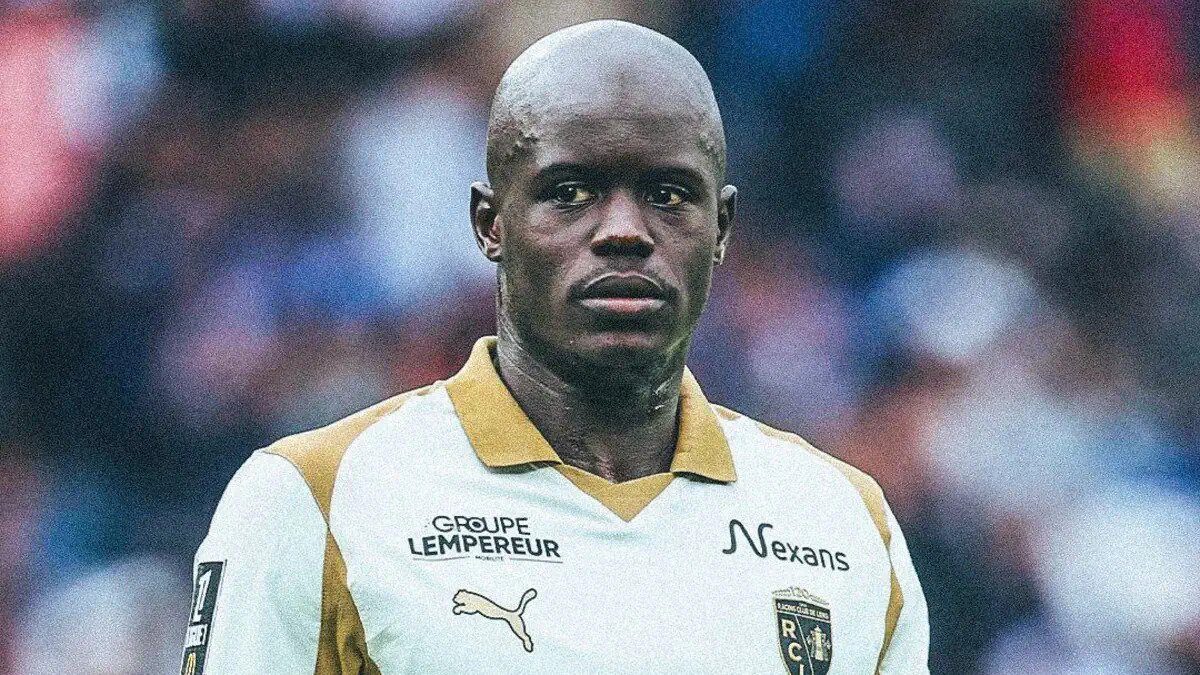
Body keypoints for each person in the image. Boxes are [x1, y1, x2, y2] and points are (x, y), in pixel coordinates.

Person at [181, 19, 929, 675]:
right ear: (490, 224)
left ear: (722, 229)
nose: (624, 231)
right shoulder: (314, 499)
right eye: (569, 192)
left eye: (669, 194)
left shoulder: (843, 523)